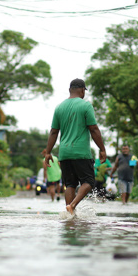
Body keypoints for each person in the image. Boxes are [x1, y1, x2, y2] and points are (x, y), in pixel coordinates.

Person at [43, 78, 107, 216]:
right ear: (82, 90)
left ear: (70, 90)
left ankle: (69, 214)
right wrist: (102, 149)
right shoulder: (85, 106)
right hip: (81, 152)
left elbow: (53, 131)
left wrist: (48, 152)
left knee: (70, 184)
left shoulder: (59, 107)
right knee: (89, 181)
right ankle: (72, 205)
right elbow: (94, 129)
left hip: (64, 153)